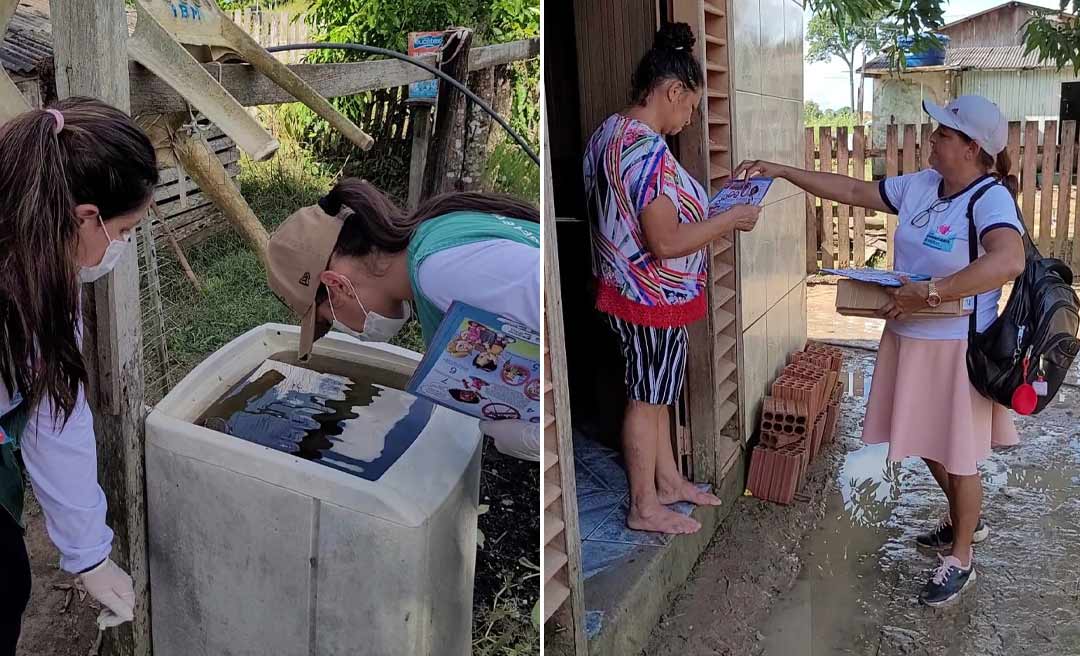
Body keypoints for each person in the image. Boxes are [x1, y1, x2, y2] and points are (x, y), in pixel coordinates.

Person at [734, 95, 1026, 606]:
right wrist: (782, 171)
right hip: (910, 339)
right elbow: (850, 188)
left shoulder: (990, 199)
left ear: (971, 147)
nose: (932, 138)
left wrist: (932, 292)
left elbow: (1008, 262)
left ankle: (961, 557)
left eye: (943, 133)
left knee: (958, 453)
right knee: (929, 440)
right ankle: (965, 520)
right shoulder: (921, 186)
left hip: (957, 347)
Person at [583, 22, 762, 535]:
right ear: (671, 91)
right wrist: (731, 218)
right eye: (689, 107)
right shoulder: (645, 150)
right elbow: (664, 242)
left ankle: (667, 481)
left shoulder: (608, 132)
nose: (689, 119)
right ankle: (644, 506)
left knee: (656, 390)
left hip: (630, 290)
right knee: (645, 397)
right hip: (647, 295)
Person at [0, 99, 160, 653]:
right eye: (125, 229)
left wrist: (88, 551)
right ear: (85, 216)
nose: (121, 244)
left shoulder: (45, 276)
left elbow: (53, 409)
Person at [265, 178, 541, 461]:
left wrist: (541, 435)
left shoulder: (439, 271)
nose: (347, 330)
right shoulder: (437, 227)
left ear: (337, 286)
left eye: (330, 320)